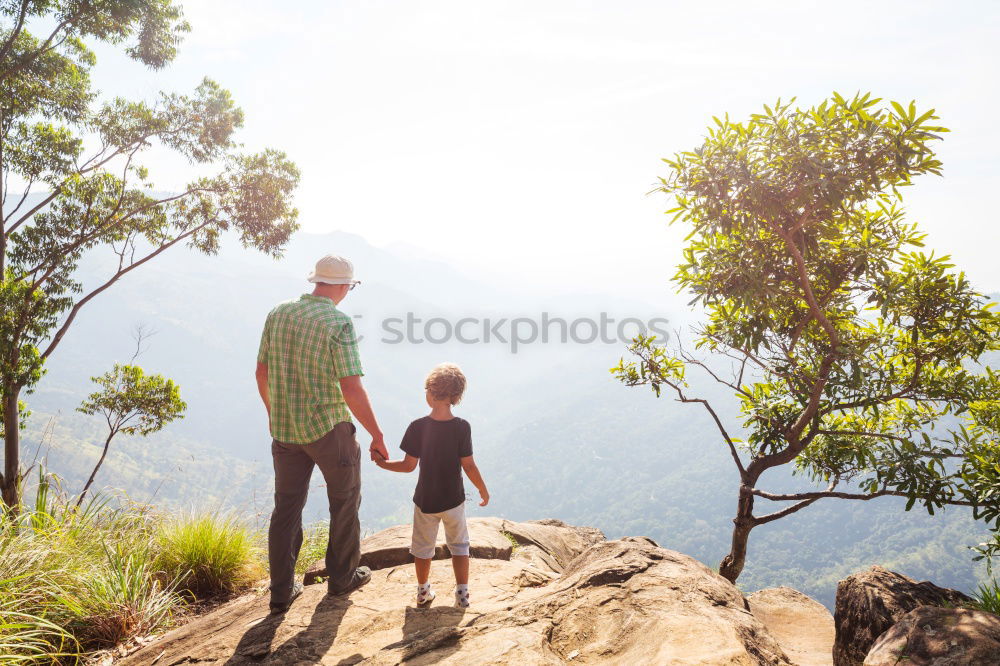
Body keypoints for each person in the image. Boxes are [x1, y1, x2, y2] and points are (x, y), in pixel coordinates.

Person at [256, 254, 390, 615]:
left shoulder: (278, 312)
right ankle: (342, 578)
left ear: (316, 281)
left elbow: (261, 372)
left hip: (285, 431)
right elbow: (351, 387)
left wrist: (276, 414)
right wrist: (376, 434)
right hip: (329, 429)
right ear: (345, 286)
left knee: (286, 508)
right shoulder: (338, 322)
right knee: (344, 501)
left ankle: (281, 592)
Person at [374, 362, 489, 608]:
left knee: (423, 548)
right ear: (456, 397)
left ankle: (423, 592)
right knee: (459, 546)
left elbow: (407, 466)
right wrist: (481, 488)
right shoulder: (462, 427)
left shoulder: (418, 427)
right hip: (453, 500)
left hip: (426, 500)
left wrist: (382, 464)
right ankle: (462, 595)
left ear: (429, 393)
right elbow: (468, 465)